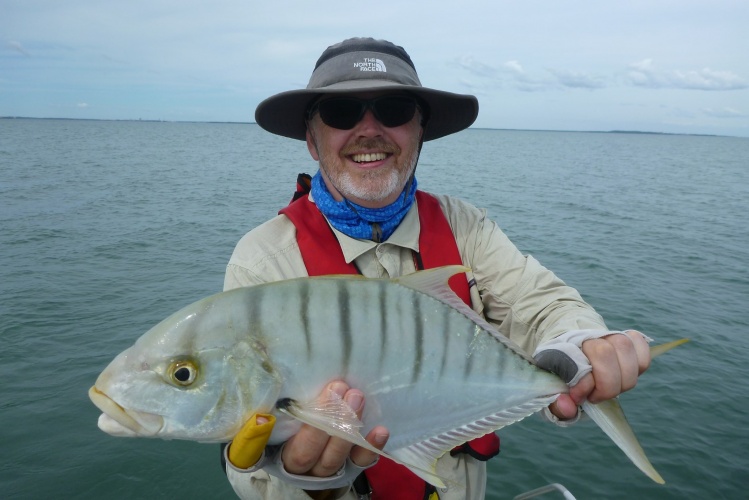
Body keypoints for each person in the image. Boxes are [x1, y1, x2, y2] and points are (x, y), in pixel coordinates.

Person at [220, 37, 651, 500]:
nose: (369, 129)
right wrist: (303, 483)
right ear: (311, 139)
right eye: (341, 113)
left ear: (419, 131)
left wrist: (580, 343)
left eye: (395, 109)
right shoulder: (263, 260)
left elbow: (539, 303)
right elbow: (245, 450)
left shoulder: (467, 228)